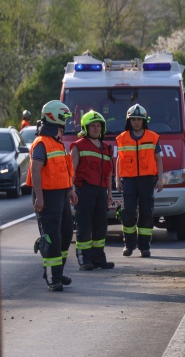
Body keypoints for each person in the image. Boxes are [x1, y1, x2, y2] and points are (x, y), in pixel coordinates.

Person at [26, 100, 78, 291]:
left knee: (64, 235)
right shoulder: (41, 143)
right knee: (51, 237)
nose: (66, 121)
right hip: (46, 196)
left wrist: (70, 190)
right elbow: (36, 171)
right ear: (54, 117)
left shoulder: (58, 142)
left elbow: (63, 170)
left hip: (61, 195)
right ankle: (52, 278)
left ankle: (58, 272)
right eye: (64, 117)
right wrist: (39, 197)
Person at [115, 104, 163, 257]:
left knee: (146, 212)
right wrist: (117, 179)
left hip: (147, 180)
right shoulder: (122, 138)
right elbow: (118, 160)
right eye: (133, 119)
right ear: (129, 121)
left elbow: (158, 159)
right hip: (128, 180)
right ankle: (128, 245)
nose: (136, 122)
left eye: (139, 119)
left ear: (144, 121)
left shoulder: (152, 137)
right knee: (127, 212)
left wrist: (160, 179)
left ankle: (144, 246)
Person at [70, 111, 115, 271]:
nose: (96, 128)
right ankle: (84, 259)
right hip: (84, 190)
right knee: (84, 225)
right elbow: (72, 171)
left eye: (98, 126)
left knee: (101, 225)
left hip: (101, 191)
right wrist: (71, 190)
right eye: (92, 126)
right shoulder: (78, 145)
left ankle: (98, 259)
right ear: (85, 127)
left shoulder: (106, 148)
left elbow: (109, 173)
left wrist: (110, 193)